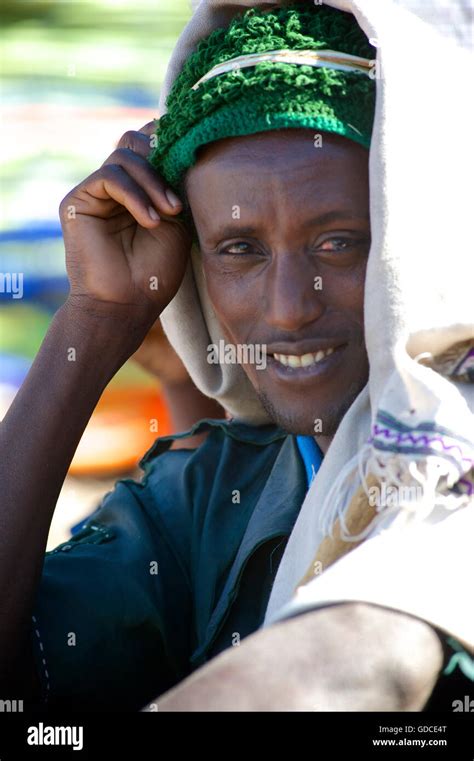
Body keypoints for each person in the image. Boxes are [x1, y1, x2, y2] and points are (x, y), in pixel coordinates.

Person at [0, 3, 472, 711]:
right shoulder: (216, 491)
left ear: (419, 231)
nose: (287, 306)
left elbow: (370, 646)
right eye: (239, 249)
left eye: (340, 240)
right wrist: (95, 321)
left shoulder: (448, 475)